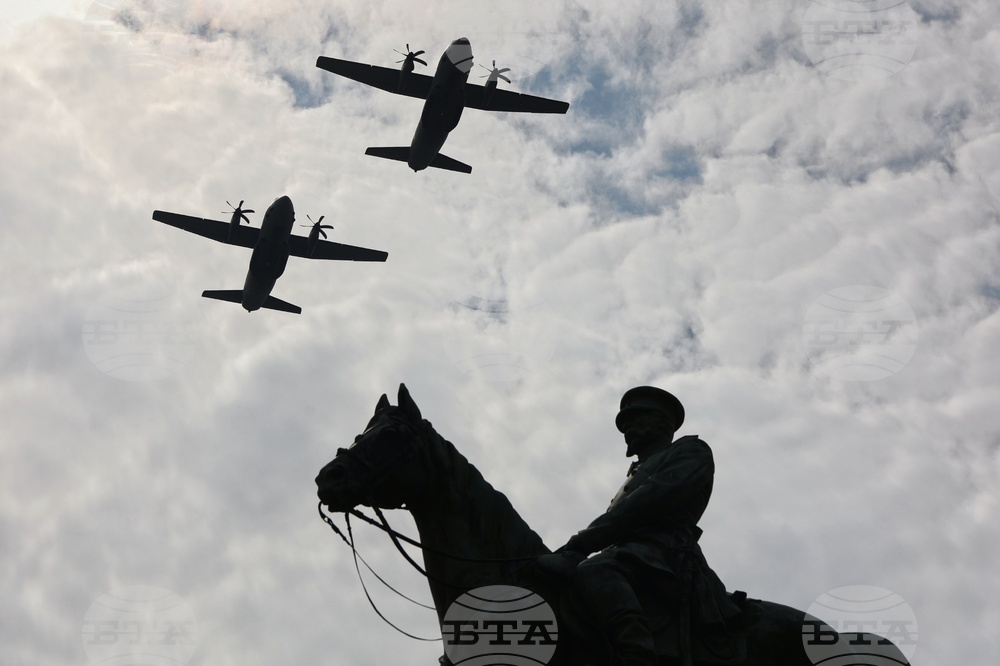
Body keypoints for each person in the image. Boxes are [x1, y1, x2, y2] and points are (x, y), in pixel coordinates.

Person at [536, 386, 740, 666]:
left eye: (636, 419)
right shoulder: (634, 472)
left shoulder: (690, 450)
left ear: (663, 422)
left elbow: (650, 500)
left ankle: (638, 655)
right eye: (623, 424)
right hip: (628, 554)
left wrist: (580, 544)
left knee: (596, 570)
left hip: (662, 553)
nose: (626, 429)